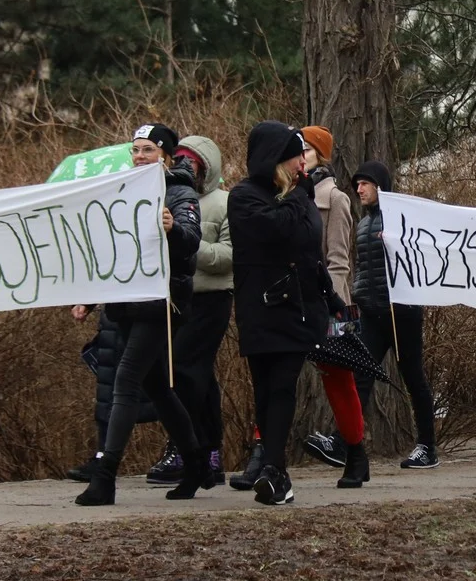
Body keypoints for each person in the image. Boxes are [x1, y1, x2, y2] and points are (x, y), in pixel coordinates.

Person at [71, 123, 214, 506]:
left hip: (162, 304)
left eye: (147, 150)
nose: (138, 157)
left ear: (166, 156)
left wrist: (173, 229)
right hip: (126, 302)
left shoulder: (181, 192)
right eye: (135, 150)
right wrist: (90, 297)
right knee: (158, 389)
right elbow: (112, 251)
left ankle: (105, 476)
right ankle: (197, 463)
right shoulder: (123, 192)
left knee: (126, 378)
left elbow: (191, 242)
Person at [227, 121, 348, 505]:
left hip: (297, 310)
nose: (303, 162)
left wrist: (331, 296)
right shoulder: (245, 196)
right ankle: (273, 468)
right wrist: (299, 198)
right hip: (259, 307)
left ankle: (276, 472)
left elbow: (309, 253)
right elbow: (273, 229)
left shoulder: (301, 196)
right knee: (264, 391)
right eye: (297, 154)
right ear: (278, 156)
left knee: (281, 387)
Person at [145, 136, 233, 486]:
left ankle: (186, 449)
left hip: (212, 297)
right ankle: (209, 453)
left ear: (206, 167)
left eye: (191, 162)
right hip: (177, 297)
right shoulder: (169, 200)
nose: (184, 167)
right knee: (199, 377)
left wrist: (188, 245)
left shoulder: (226, 203)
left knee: (184, 370)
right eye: (178, 160)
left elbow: (230, 255)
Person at [350, 160, 440, 469]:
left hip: (401, 313)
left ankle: (427, 447)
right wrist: (357, 295)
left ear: (380, 186)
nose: (359, 189)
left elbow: (421, 253)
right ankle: (346, 443)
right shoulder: (363, 224)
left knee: (414, 377)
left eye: (364, 183)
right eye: (357, 184)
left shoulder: (402, 217)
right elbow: (362, 267)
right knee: (359, 376)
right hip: (371, 313)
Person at [299, 126, 362, 470]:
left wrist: (334, 311)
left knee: (339, 377)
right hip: (290, 302)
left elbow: (339, 261)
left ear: (320, 155)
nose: (300, 155)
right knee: (276, 376)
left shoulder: (335, 199)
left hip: (325, 304)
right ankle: (264, 456)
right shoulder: (289, 194)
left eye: (306, 149)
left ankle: (354, 451)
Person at [65, 312, 158, 483]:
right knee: (107, 395)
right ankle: (103, 459)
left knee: (164, 392)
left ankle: (188, 454)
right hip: (113, 322)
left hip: (146, 318)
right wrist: (87, 302)